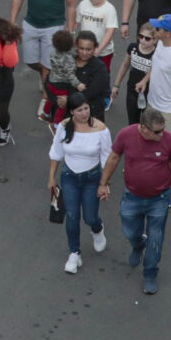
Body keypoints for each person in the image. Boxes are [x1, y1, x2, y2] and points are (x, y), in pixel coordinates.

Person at [99, 109, 171, 295]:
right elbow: (114, 157)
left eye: (163, 129)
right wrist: (103, 183)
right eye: (157, 131)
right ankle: (138, 244)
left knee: (156, 239)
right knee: (130, 231)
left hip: (159, 199)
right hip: (132, 196)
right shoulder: (126, 135)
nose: (162, 134)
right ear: (144, 128)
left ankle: (150, 273)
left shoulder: (169, 140)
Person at [46, 94, 111, 274]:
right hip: (69, 177)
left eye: (86, 108)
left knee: (90, 217)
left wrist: (104, 184)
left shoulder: (101, 129)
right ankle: (74, 253)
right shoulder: (64, 126)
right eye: (79, 110)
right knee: (72, 216)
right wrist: (51, 177)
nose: (84, 113)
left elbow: (107, 158)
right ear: (72, 112)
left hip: (92, 177)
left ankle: (97, 229)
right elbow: (56, 152)